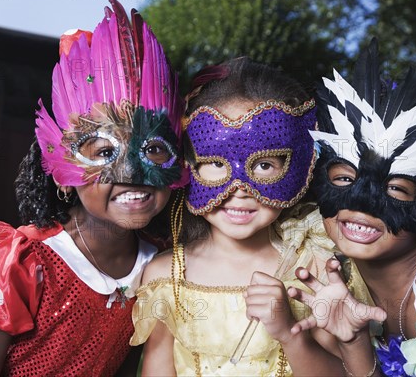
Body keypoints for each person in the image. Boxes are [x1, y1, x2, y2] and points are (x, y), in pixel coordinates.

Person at [0, 0, 187, 377]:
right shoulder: (23, 263)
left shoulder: (157, 266)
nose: (133, 171)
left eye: (154, 148)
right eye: (105, 151)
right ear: (62, 173)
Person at [130, 57, 358, 376]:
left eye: (263, 165)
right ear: (186, 166)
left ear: (296, 166)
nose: (239, 189)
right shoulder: (164, 275)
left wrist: (290, 335)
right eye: (216, 163)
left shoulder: (313, 268)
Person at [288, 38, 416, 376]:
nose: (361, 202)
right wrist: (354, 342)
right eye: (343, 179)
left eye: (396, 188)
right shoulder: (331, 283)